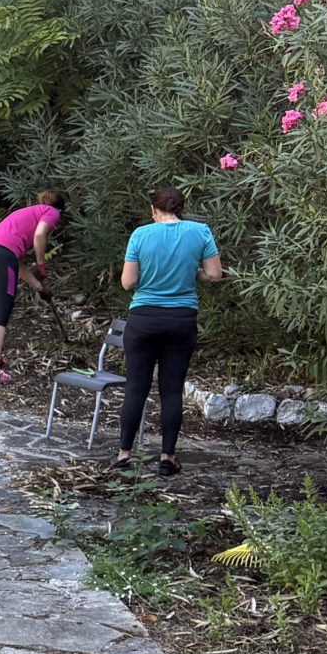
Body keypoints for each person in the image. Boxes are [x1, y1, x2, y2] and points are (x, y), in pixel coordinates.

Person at [117, 185, 222, 476]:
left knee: (136, 388)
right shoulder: (200, 232)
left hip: (143, 319)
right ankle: (168, 457)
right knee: (172, 390)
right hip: (181, 319)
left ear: (154, 209)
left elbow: (127, 282)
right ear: (180, 208)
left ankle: (124, 454)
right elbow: (214, 274)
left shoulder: (140, 235)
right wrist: (192, 273)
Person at [0, 189, 63, 383]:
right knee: (1, 314)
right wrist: (41, 265)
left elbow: (16, 262)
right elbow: (40, 235)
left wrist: (38, 286)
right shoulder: (52, 211)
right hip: (1, 259)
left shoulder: (26, 215)